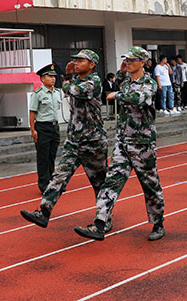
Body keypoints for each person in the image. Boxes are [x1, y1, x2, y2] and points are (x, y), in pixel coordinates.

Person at [74, 47, 165, 242]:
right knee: (111, 182)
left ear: (142, 63)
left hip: (142, 144)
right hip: (122, 142)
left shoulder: (148, 83)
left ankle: (158, 224)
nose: (128, 63)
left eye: (132, 60)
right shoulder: (125, 82)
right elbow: (118, 83)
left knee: (150, 185)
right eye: (127, 60)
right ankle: (100, 224)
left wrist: (117, 95)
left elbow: (140, 99)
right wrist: (122, 72)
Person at [20, 50, 109, 229]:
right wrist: (69, 76)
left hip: (93, 141)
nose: (76, 63)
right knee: (59, 176)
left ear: (92, 65)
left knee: (99, 184)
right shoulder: (76, 80)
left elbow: (72, 90)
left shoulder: (94, 82)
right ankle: (44, 212)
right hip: (74, 141)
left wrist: (67, 78)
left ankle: (104, 220)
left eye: (81, 60)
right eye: (76, 60)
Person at [29, 63, 62, 193]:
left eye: (54, 77)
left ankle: (51, 182)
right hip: (42, 127)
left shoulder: (57, 92)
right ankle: (43, 184)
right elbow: (32, 112)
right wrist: (33, 130)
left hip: (54, 127)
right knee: (43, 157)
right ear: (42, 79)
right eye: (50, 76)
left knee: (52, 156)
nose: (53, 79)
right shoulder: (38, 94)